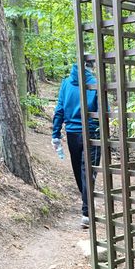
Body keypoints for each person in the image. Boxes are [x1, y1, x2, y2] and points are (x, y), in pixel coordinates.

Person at [52, 62, 101, 228]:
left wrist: (55, 134)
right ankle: (87, 213)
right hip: (91, 132)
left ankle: (86, 206)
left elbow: (59, 109)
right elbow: (104, 111)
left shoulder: (66, 83)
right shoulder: (95, 83)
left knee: (79, 172)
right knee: (88, 171)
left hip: (72, 133)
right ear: (92, 66)